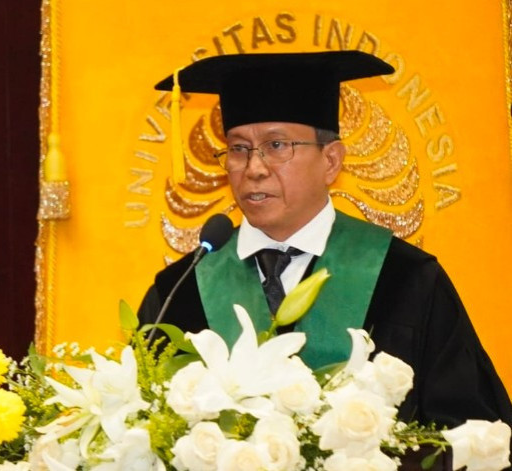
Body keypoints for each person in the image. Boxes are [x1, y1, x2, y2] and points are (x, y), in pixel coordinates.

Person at [138, 51, 512, 428]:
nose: (253, 168)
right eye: (238, 149)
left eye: (277, 146)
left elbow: (474, 437)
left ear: (331, 161)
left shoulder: (405, 280)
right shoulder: (179, 293)